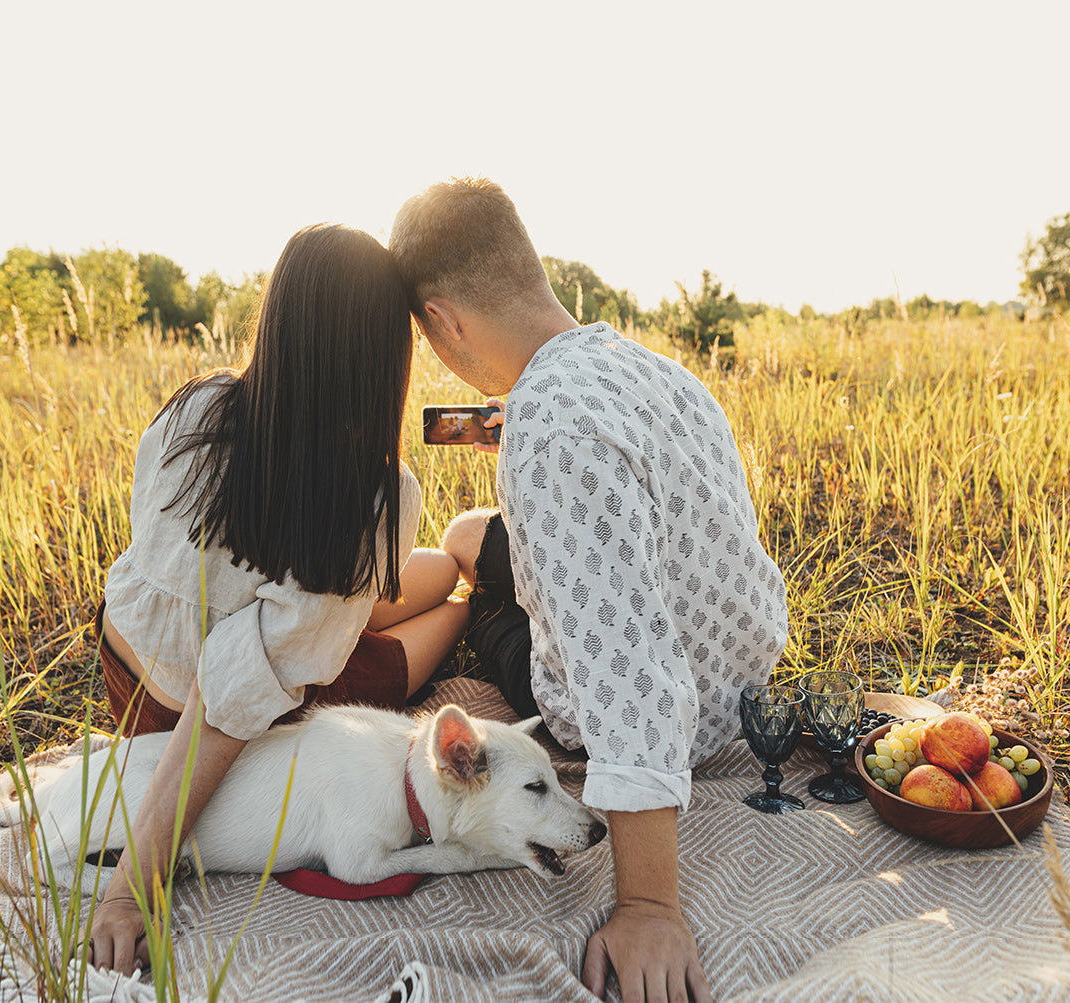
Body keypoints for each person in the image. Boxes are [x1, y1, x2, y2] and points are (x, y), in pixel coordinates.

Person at [389, 178, 789, 1003]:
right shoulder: (646, 368)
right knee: (478, 531)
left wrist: (649, 903)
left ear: (444, 321)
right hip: (741, 673)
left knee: (467, 549)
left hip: (684, 711)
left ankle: (459, 599)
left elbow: (632, 677)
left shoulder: (554, 436)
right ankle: (470, 564)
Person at [90, 224, 470, 974]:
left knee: (423, 567)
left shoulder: (195, 408)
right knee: (453, 595)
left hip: (127, 670)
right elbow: (227, 699)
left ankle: (447, 577)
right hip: (199, 720)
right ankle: (471, 603)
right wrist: (130, 888)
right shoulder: (376, 493)